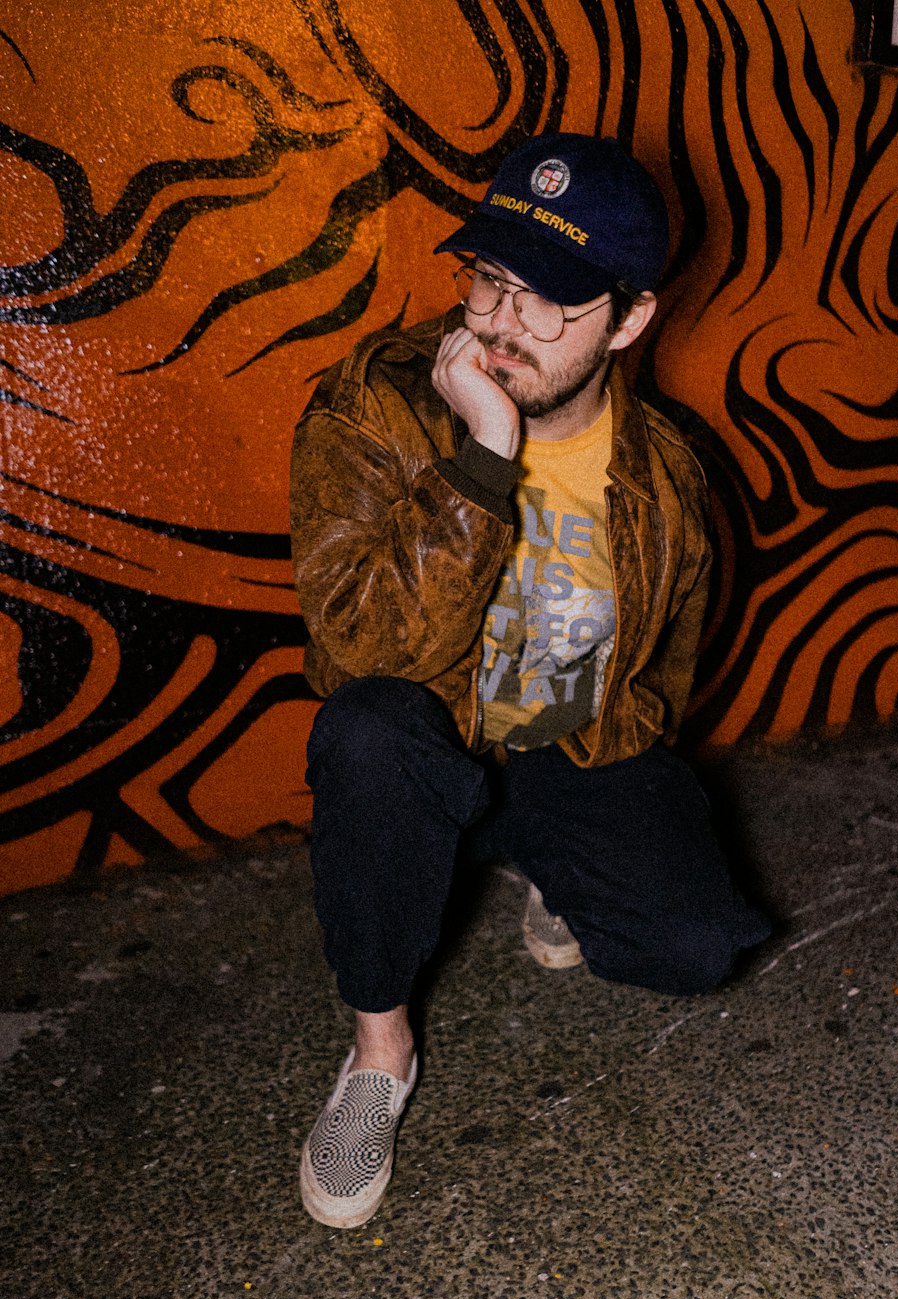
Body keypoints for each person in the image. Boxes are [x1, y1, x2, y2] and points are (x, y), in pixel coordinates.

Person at [289, 132, 769, 1229]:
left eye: (546, 298)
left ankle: (537, 858)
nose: (499, 321)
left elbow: (671, 656)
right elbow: (357, 652)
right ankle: (378, 1053)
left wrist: (616, 776)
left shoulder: (668, 474)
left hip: (564, 743)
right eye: (491, 278)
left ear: (630, 319)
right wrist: (483, 458)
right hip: (428, 741)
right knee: (367, 733)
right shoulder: (377, 404)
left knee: (692, 949)